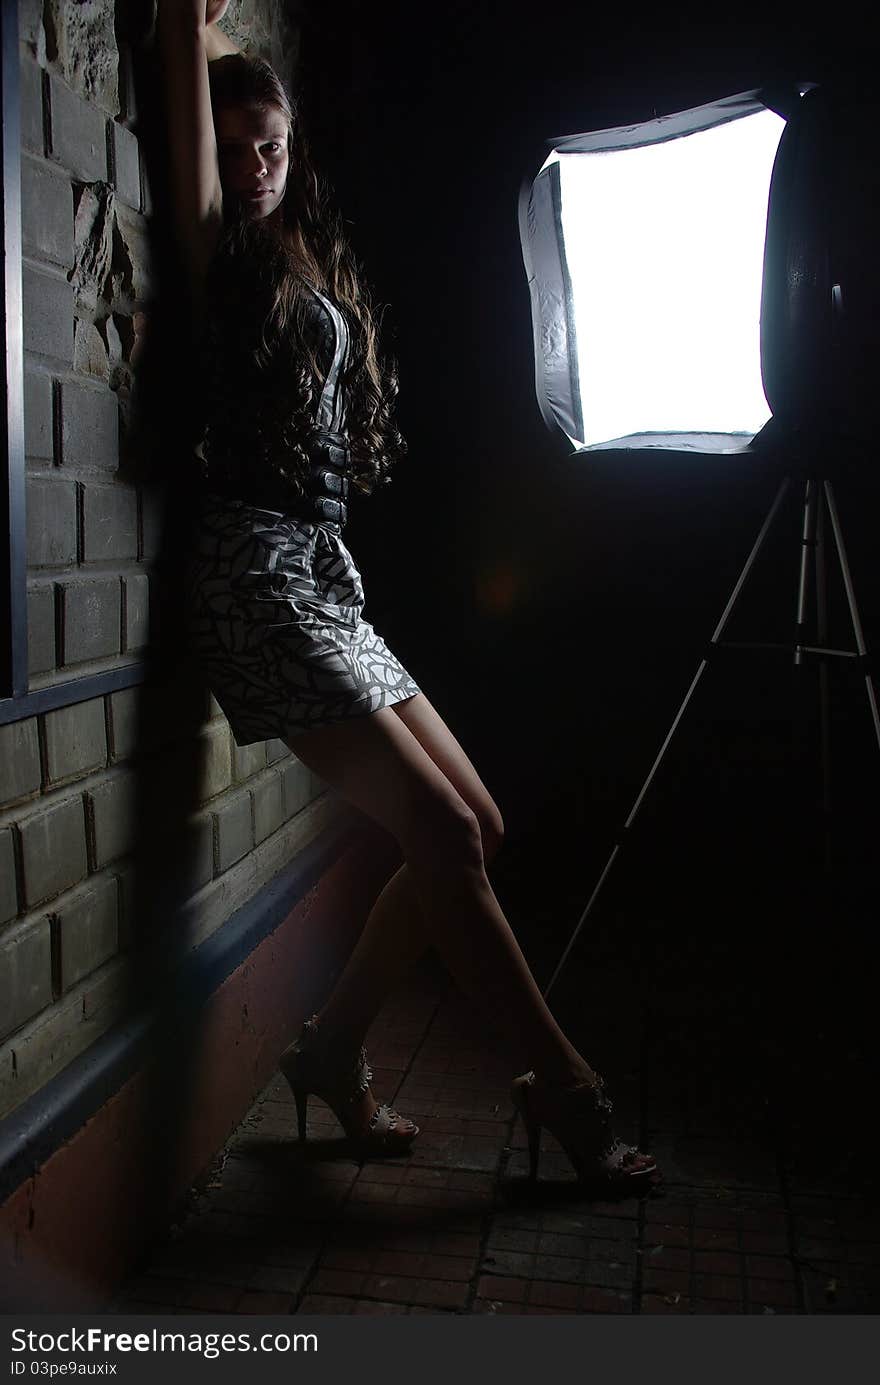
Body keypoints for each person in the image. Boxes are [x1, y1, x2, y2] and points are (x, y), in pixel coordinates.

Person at [156, 0, 659, 1191]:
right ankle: (566, 1085)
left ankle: (329, 1054)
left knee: (472, 827)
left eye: (271, 145)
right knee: (440, 833)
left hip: (321, 572)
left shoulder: (299, 249)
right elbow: (184, 58)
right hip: (252, 571)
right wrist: (194, 30)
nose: (257, 167)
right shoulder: (218, 242)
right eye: (234, 150)